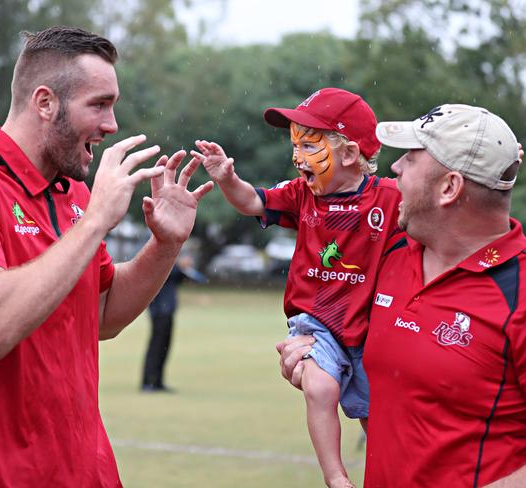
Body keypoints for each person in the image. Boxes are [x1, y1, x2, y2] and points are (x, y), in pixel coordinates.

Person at [0, 26, 213, 487]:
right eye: (99, 103)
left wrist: (164, 245)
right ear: (45, 102)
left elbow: (102, 314)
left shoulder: (73, 193)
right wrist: (94, 223)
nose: (111, 124)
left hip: (86, 472)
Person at [278, 104, 526, 487]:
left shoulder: (519, 293)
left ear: (449, 188)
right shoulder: (386, 258)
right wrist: (317, 360)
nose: (394, 169)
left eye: (410, 159)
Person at [194, 88, 402, 488]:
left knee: (376, 414)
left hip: (369, 326)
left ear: (348, 154)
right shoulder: (301, 194)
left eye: (309, 146)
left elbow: (433, 211)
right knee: (320, 387)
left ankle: (391, 472)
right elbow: (253, 203)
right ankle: (336, 477)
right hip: (318, 323)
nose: (296, 158)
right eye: (295, 146)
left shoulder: (389, 199)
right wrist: (227, 178)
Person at [141, 253, 203, 392]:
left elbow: (181, 277)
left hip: (168, 310)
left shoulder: (173, 264)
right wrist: (180, 266)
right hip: (159, 310)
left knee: (164, 346)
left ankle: (157, 381)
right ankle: (147, 382)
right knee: (156, 346)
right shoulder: (162, 261)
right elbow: (167, 272)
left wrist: (184, 269)